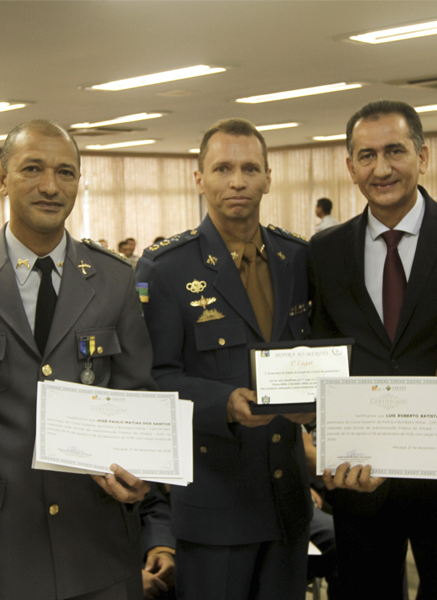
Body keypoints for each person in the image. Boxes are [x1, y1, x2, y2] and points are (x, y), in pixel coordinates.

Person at [0, 119, 156, 600]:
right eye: (33, 168)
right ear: (0, 178)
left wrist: (141, 471)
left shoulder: (113, 279)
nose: (51, 186)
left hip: (98, 535)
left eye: (66, 173)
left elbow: (137, 394)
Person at [308, 100, 437, 600]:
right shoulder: (325, 251)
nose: (382, 168)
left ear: (423, 156)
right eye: (367, 155)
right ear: (350, 167)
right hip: (360, 479)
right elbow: (325, 355)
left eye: (395, 151)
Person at [136, 118, 313, 600]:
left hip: (288, 505)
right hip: (215, 505)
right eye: (223, 169)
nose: (237, 181)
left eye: (250, 168)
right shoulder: (167, 268)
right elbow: (153, 379)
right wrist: (223, 403)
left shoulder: (297, 258)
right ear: (199, 179)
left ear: (268, 177)